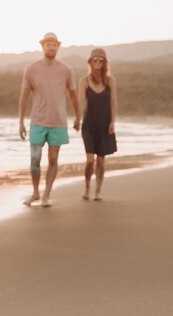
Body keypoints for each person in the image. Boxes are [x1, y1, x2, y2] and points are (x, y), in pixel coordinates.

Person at [19, 32, 80, 207]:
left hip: (58, 123)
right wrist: (21, 122)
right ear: (43, 46)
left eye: (54, 44)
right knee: (34, 160)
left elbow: (73, 96)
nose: (51, 47)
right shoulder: (31, 69)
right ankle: (36, 192)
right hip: (37, 121)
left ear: (58, 47)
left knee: (53, 160)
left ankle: (46, 195)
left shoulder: (66, 70)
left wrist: (78, 118)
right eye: (48, 44)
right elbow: (23, 97)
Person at [78, 48, 117, 201]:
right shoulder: (84, 81)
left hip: (105, 125)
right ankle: (87, 187)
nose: (98, 63)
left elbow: (114, 103)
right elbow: (82, 103)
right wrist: (77, 119)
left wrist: (113, 121)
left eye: (101, 60)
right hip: (88, 125)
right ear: (90, 62)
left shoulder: (110, 81)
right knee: (89, 160)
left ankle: (98, 191)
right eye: (95, 60)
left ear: (105, 62)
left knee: (100, 161)